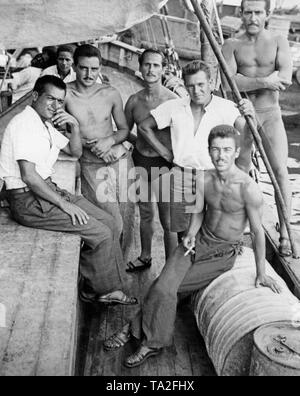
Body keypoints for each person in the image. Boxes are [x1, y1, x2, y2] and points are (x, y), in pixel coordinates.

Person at [103, 125, 282, 368]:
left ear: (236, 151)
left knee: (165, 289)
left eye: (227, 150)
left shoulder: (248, 189)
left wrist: (261, 273)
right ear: (209, 151)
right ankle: (137, 331)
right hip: (197, 241)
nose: (221, 155)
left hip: (222, 251)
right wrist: (190, 234)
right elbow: (198, 212)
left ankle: (148, 341)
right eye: (216, 149)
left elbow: (259, 233)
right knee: (163, 286)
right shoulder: (204, 178)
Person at [0, 75, 137, 306]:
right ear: (35, 96)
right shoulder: (25, 125)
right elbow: (29, 176)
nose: (55, 106)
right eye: (50, 99)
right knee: (102, 233)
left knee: (110, 222)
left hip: (44, 191)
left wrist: (73, 126)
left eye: (60, 101)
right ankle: (103, 290)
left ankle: (95, 283)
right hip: (28, 201)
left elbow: (75, 152)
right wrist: (65, 204)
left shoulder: (42, 122)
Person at [138, 60, 255, 240]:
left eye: (201, 84)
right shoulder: (174, 106)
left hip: (213, 176)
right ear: (185, 86)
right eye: (191, 86)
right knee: (183, 233)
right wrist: (165, 153)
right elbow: (144, 127)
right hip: (181, 175)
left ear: (210, 83)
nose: (196, 90)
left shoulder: (226, 107)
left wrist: (251, 116)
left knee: (216, 228)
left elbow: (248, 134)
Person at [222, 0, 293, 257]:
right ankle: (236, 231)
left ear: (267, 14)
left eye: (258, 12)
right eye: (248, 11)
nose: (253, 17)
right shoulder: (231, 45)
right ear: (241, 13)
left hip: (271, 115)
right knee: (239, 173)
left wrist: (246, 81)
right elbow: (229, 85)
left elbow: (284, 78)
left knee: (281, 172)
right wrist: (264, 80)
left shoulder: (277, 41)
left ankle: (285, 232)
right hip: (242, 115)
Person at [65, 44, 135, 260]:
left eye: (94, 69)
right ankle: (103, 272)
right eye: (84, 68)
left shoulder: (110, 93)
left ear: (100, 68)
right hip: (92, 166)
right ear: (74, 67)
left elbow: (124, 129)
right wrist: (89, 144)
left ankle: (119, 270)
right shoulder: (66, 94)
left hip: (119, 160)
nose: (89, 74)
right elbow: (57, 132)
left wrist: (109, 140)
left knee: (128, 218)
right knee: (111, 221)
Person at [125, 49, 178, 272]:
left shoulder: (173, 100)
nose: (151, 70)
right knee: (145, 214)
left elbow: (181, 135)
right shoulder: (134, 101)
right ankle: (145, 256)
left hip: (165, 165)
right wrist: (140, 142)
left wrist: (168, 154)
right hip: (140, 161)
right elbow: (124, 131)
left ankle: (170, 268)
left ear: (163, 69)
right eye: (147, 64)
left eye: (156, 65)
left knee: (168, 220)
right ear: (140, 66)